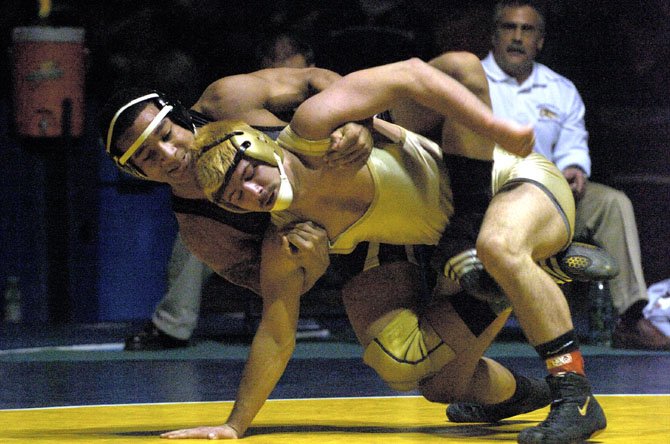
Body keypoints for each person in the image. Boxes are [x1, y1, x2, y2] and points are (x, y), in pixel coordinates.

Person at [167, 54, 605, 442]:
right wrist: (236, 424)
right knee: (429, 378)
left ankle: (575, 395)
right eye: (234, 196)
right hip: (458, 249)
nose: (251, 191)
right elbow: (277, 335)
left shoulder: (314, 127)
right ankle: (529, 307)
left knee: (497, 245)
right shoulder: (290, 239)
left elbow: (420, 72)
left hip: (514, 184)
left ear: (258, 143)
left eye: (247, 173)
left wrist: (495, 128)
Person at [479, 0, 669, 351]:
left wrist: (575, 169)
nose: (517, 38)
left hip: (551, 197)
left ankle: (631, 317)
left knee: (612, 203)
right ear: (493, 35)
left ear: (540, 40)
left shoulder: (560, 89)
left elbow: (573, 146)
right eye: (509, 28)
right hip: (488, 197)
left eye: (527, 29)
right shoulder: (472, 81)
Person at [124, 33, 328, 351]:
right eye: (271, 57)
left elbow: (323, 80)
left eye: (287, 56)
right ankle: (172, 325)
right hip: (267, 217)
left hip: (324, 187)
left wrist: (357, 120)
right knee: (195, 235)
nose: (279, 64)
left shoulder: (306, 93)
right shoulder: (229, 100)